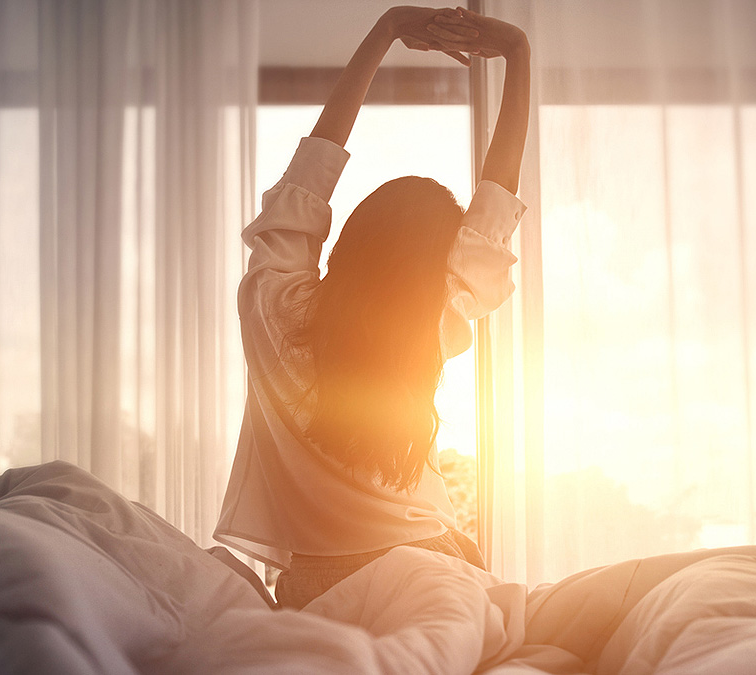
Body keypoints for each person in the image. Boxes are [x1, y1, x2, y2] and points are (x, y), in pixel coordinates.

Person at [214, 5, 531, 610]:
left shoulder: (271, 306)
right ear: (435, 266)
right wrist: (517, 53)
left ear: (352, 237)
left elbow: (309, 175)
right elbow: (495, 203)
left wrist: (386, 30)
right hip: (434, 566)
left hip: (314, 585)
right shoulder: (430, 323)